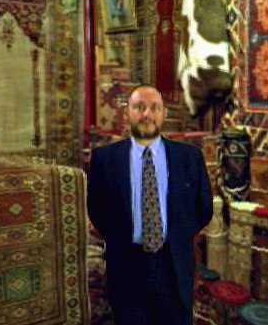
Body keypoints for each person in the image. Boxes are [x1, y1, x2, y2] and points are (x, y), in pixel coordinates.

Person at [87, 84, 213, 325]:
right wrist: (120, 237)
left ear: (164, 114)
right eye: (139, 107)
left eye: (155, 108)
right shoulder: (105, 159)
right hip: (127, 263)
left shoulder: (190, 157)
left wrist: (178, 235)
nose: (147, 114)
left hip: (173, 263)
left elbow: (204, 208)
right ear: (127, 113)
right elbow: (96, 209)